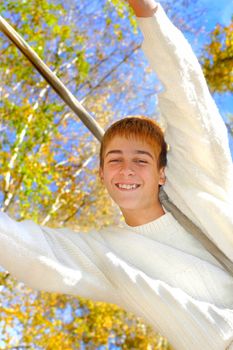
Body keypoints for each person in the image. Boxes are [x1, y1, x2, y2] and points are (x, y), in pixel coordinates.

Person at [0, 1, 233, 349]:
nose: (126, 168)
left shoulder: (202, 185)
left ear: (161, 173)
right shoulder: (107, 254)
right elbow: (33, 253)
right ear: (101, 175)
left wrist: (148, 11)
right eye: (114, 160)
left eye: (141, 160)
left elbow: (189, 99)